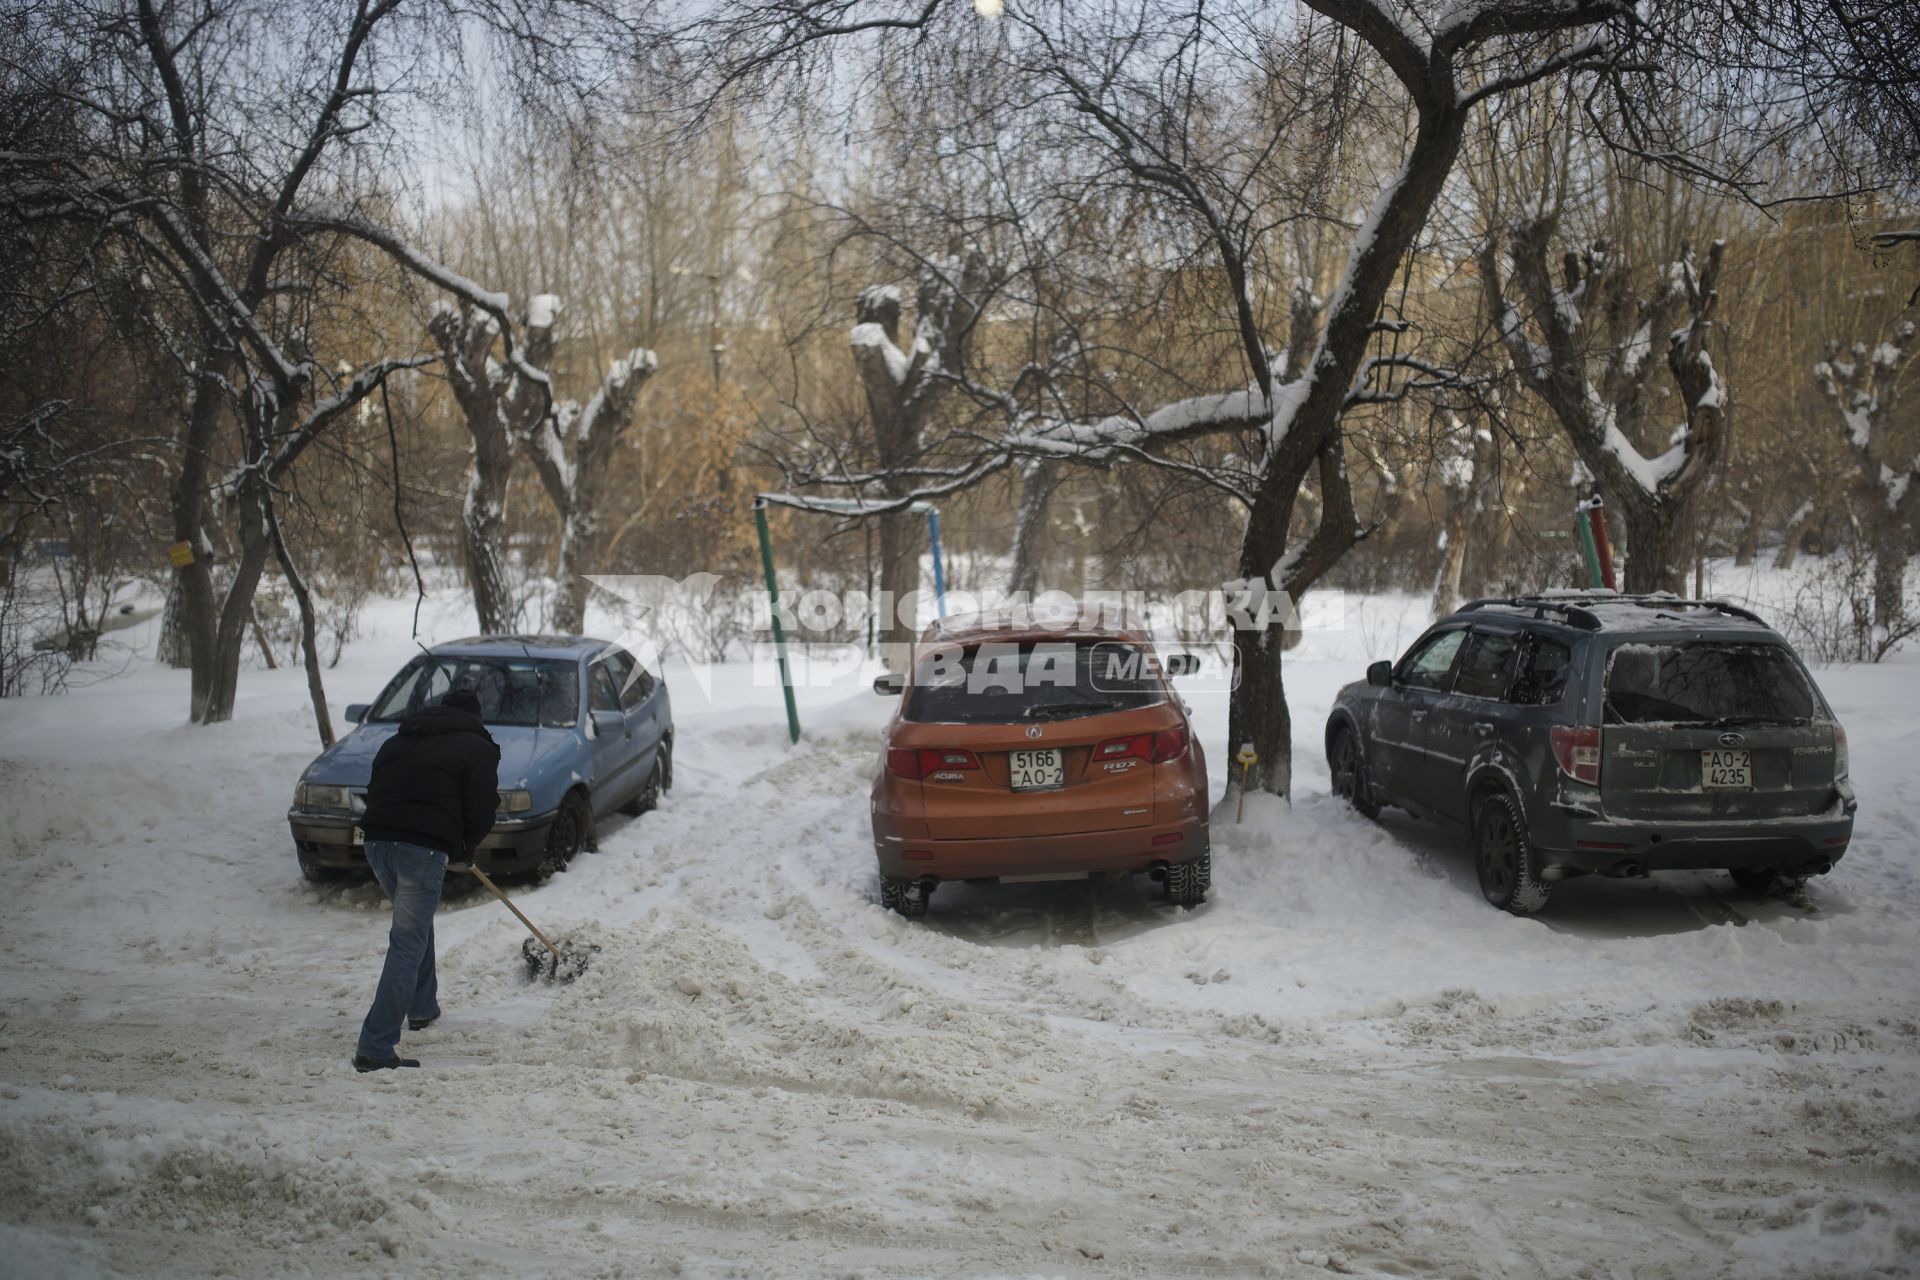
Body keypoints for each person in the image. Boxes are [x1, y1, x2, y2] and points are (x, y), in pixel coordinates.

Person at [353, 686, 500, 1072]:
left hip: (376, 844)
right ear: (475, 717)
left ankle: (422, 1006)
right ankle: (375, 1046)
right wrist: (466, 847)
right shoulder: (477, 746)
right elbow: (483, 808)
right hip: (421, 850)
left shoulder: (398, 740)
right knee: (407, 941)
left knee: (413, 927)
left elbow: (376, 793)